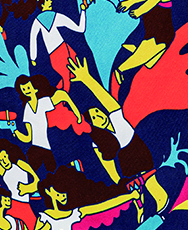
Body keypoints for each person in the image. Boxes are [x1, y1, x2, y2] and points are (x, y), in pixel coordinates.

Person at [67, 56, 168, 221]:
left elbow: (106, 100)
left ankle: (163, 212)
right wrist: (119, 183)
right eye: (94, 118)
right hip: (128, 171)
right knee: (142, 200)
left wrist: (87, 79)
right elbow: (109, 166)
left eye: (98, 112)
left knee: (156, 193)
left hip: (142, 160)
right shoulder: (98, 141)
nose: (99, 116)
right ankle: (153, 214)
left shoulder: (117, 120)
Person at [115, 0, 183, 84]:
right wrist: (131, 4)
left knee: (147, 62)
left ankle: (127, 62)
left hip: (160, 36)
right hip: (158, 36)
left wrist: (136, 9)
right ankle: (121, 69)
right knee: (146, 61)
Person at [13, 74, 81, 173]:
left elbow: (63, 95)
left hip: (48, 148)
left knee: (55, 174)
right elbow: (28, 138)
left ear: (35, 88)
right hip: (35, 148)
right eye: (23, 89)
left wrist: (78, 115)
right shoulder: (27, 108)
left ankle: (73, 166)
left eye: (28, 87)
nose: (27, 90)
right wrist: (15, 131)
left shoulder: (43, 102)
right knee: (29, 173)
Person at [29, 0, 88, 92]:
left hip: (57, 54)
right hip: (62, 52)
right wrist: (83, 10)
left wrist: (33, 58)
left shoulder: (37, 21)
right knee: (68, 77)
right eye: (47, 0)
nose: (51, 1)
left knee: (69, 75)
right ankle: (62, 98)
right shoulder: (56, 17)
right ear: (42, 5)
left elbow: (33, 39)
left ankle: (56, 94)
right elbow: (80, 28)